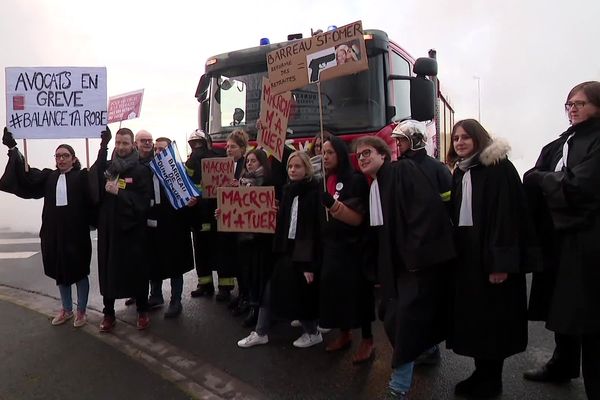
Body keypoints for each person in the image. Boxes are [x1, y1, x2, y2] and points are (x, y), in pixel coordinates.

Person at [354, 136, 454, 400]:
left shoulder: (402, 171)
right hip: (394, 267)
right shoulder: (375, 185)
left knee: (404, 322)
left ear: (384, 155)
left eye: (367, 153)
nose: (362, 158)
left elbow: (426, 210)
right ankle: (429, 351)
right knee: (400, 317)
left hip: (413, 264)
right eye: (359, 155)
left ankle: (398, 387)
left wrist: (415, 258)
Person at [447, 119, 538, 398]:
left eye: (465, 137)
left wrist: (500, 263)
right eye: (455, 138)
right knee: (476, 321)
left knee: (494, 322)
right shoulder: (462, 172)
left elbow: (507, 218)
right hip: (469, 261)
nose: (459, 142)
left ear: (479, 138)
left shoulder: (499, 169)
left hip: (493, 260)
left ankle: (492, 379)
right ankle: (480, 372)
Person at [522, 81, 600, 399]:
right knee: (561, 306)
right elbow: (537, 174)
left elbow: (579, 186)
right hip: (557, 241)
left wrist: (541, 179)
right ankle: (563, 364)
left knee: (590, 316)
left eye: (580, 103)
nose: (573, 109)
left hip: (589, 242)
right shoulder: (562, 142)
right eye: (569, 104)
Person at [0, 128, 93, 328]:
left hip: (77, 236)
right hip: (53, 235)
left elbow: (97, 187)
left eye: (65, 156)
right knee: (61, 272)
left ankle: (81, 311)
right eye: (58, 156)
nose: (61, 159)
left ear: (73, 159)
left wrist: (103, 147)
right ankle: (66, 309)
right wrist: (13, 148)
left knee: (79, 273)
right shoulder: (48, 177)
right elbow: (25, 175)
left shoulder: (82, 177)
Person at [237, 151, 323, 349]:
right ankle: (261, 332)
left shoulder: (313, 193)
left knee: (300, 295)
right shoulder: (288, 190)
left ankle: (312, 332)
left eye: (298, 167)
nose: (293, 170)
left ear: (307, 169)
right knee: (271, 290)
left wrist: (308, 264)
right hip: (286, 250)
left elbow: (310, 230)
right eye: (290, 167)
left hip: (303, 253)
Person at [392, 120, 453, 365]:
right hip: (406, 246)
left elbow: (447, 203)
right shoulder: (398, 168)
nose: (398, 144)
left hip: (431, 247)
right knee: (410, 304)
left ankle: (430, 348)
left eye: (402, 140)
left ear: (416, 139)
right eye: (397, 140)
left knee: (428, 300)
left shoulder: (436, 168)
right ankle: (416, 347)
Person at [318, 136, 375, 364]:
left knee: (358, 295)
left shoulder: (355, 180)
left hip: (353, 248)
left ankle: (368, 340)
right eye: (322, 153)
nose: (325, 157)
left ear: (340, 154)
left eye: (329, 152)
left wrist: (333, 206)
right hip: (331, 248)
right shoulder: (323, 181)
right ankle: (344, 334)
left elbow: (357, 217)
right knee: (336, 294)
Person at [93, 127, 153, 332]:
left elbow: (144, 203)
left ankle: (142, 311)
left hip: (132, 231)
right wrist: (103, 145)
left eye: (125, 143)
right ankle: (108, 313)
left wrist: (120, 192)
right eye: (118, 143)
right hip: (109, 230)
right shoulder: (108, 168)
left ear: (133, 145)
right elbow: (92, 182)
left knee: (136, 271)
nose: (120, 147)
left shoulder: (141, 170)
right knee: (108, 271)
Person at [145, 137, 195, 318]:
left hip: (175, 225)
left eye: (162, 149)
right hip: (154, 225)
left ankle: (176, 300)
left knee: (176, 264)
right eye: (156, 149)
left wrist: (191, 203)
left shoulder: (179, 171)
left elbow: (191, 193)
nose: (158, 152)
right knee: (154, 262)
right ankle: (155, 295)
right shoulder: (148, 169)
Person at [236, 149, 274, 327]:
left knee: (261, 275)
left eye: (253, 161)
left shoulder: (268, 182)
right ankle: (251, 305)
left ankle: (261, 311)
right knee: (248, 273)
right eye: (248, 161)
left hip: (261, 239)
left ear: (262, 163)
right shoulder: (241, 183)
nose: (249, 164)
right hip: (244, 237)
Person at [185, 129, 221, 298]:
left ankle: (222, 286)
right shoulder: (192, 161)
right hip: (202, 214)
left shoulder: (216, 158)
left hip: (214, 213)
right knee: (202, 251)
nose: (197, 148)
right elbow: (186, 181)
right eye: (195, 145)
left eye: (199, 144)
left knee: (218, 250)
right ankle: (207, 284)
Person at [125, 129, 156, 307]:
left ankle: (154, 294)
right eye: (143, 140)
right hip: (135, 218)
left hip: (155, 215)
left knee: (153, 259)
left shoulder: (159, 162)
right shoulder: (130, 163)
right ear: (136, 143)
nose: (147, 143)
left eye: (149, 140)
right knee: (136, 260)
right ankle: (136, 293)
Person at [218, 129, 248, 306]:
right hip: (227, 217)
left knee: (242, 258)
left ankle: (245, 294)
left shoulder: (247, 164)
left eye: (233, 147)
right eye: (227, 147)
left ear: (242, 149)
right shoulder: (222, 165)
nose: (228, 150)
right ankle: (236, 292)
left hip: (242, 219)